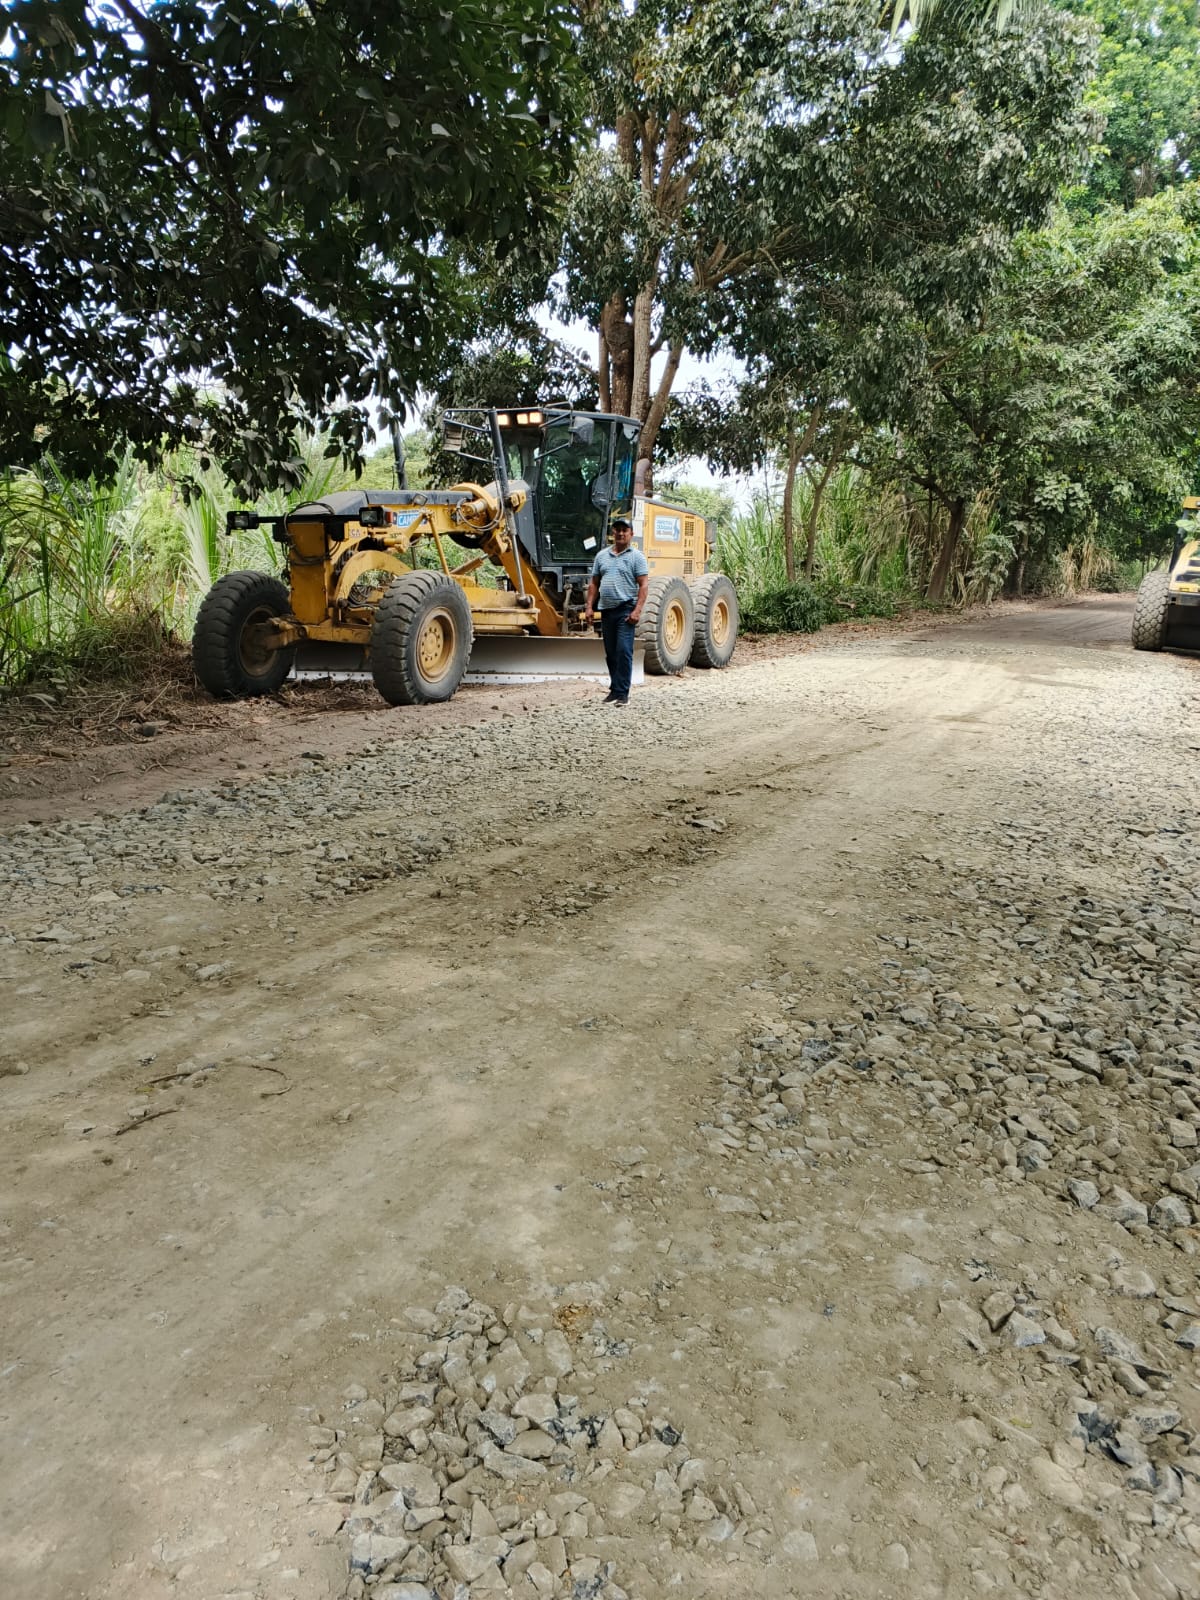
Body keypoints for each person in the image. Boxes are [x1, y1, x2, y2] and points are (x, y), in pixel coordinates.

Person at [584, 518, 649, 707]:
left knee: (623, 651)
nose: (621, 533)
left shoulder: (637, 557)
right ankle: (614, 690)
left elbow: (644, 585)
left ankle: (623, 693)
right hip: (606, 610)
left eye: (624, 530)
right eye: (617, 530)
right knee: (611, 652)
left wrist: (637, 610)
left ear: (631, 534)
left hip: (625, 610)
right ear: (612, 533)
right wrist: (589, 607)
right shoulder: (601, 556)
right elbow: (594, 583)